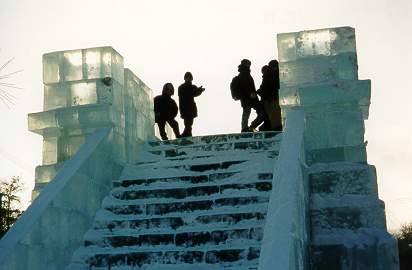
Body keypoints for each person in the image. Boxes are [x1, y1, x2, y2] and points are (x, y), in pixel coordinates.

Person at [230, 59, 265, 132]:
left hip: (249, 98)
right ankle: (247, 128)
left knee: (249, 113)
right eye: (248, 64)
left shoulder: (246, 75)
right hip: (248, 98)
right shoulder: (245, 75)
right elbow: (247, 88)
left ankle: (248, 128)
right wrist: (251, 94)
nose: (249, 66)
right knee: (253, 113)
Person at [178, 72, 205, 137]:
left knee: (189, 122)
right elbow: (188, 94)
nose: (188, 79)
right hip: (184, 106)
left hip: (191, 107)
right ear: (184, 78)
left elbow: (195, 94)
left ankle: (187, 133)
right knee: (187, 122)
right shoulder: (181, 87)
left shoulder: (193, 87)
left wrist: (199, 90)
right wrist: (197, 90)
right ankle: (187, 133)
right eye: (187, 77)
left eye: (190, 77)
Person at [267, 59, 282, 131]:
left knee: (275, 112)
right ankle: (277, 126)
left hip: (275, 96)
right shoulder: (274, 74)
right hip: (275, 96)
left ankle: (277, 126)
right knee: (275, 112)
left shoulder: (273, 74)